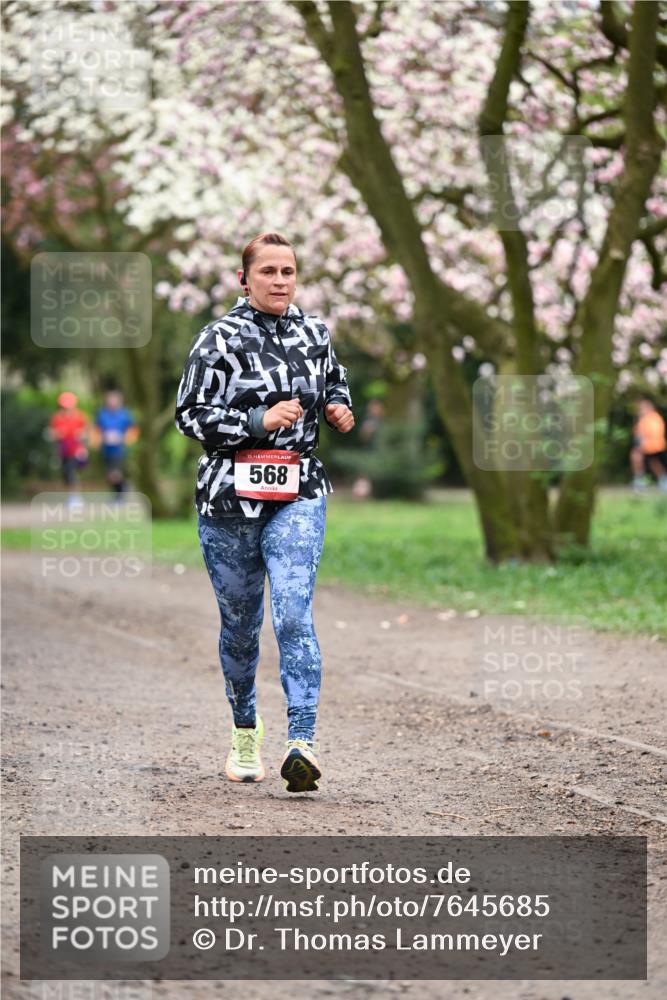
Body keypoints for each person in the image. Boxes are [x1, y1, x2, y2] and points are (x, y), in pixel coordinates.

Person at [175, 232, 354, 792]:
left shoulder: (314, 332)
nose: (281, 280)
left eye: (289, 271)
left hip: (299, 488)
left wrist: (338, 406)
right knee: (241, 627)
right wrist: (257, 422)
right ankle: (244, 733)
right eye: (270, 271)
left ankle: (302, 741)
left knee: (294, 613)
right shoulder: (218, 339)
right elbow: (189, 415)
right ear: (243, 279)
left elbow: (335, 380)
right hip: (230, 495)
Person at [92, 389, 138, 499]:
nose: (111, 401)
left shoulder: (125, 414)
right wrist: (97, 441)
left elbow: (133, 430)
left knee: (115, 474)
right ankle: (123, 488)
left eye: (114, 399)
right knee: (109, 475)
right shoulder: (102, 414)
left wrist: (124, 439)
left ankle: (120, 494)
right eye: (109, 399)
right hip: (106, 449)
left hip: (120, 449)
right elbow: (96, 429)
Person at [48, 391, 89, 506]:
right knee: (66, 474)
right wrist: (57, 434)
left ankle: (75, 497)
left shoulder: (80, 416)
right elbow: (52, 433)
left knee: (71, 472)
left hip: (76, 449)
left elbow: (86, 433)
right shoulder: (57, 418)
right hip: (63, 449)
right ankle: (72, 496)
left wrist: (82, 440)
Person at [630, 397, 667, 492]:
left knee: (637, 456)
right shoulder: (644, 419)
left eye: (643, 408)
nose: (640, 410)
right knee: (653, 463)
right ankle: (642, 480)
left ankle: (640, 480)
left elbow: (653, 434)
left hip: (655, 446)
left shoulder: (654, 418)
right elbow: (637, 433)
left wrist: (642, 445)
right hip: (649, 446)